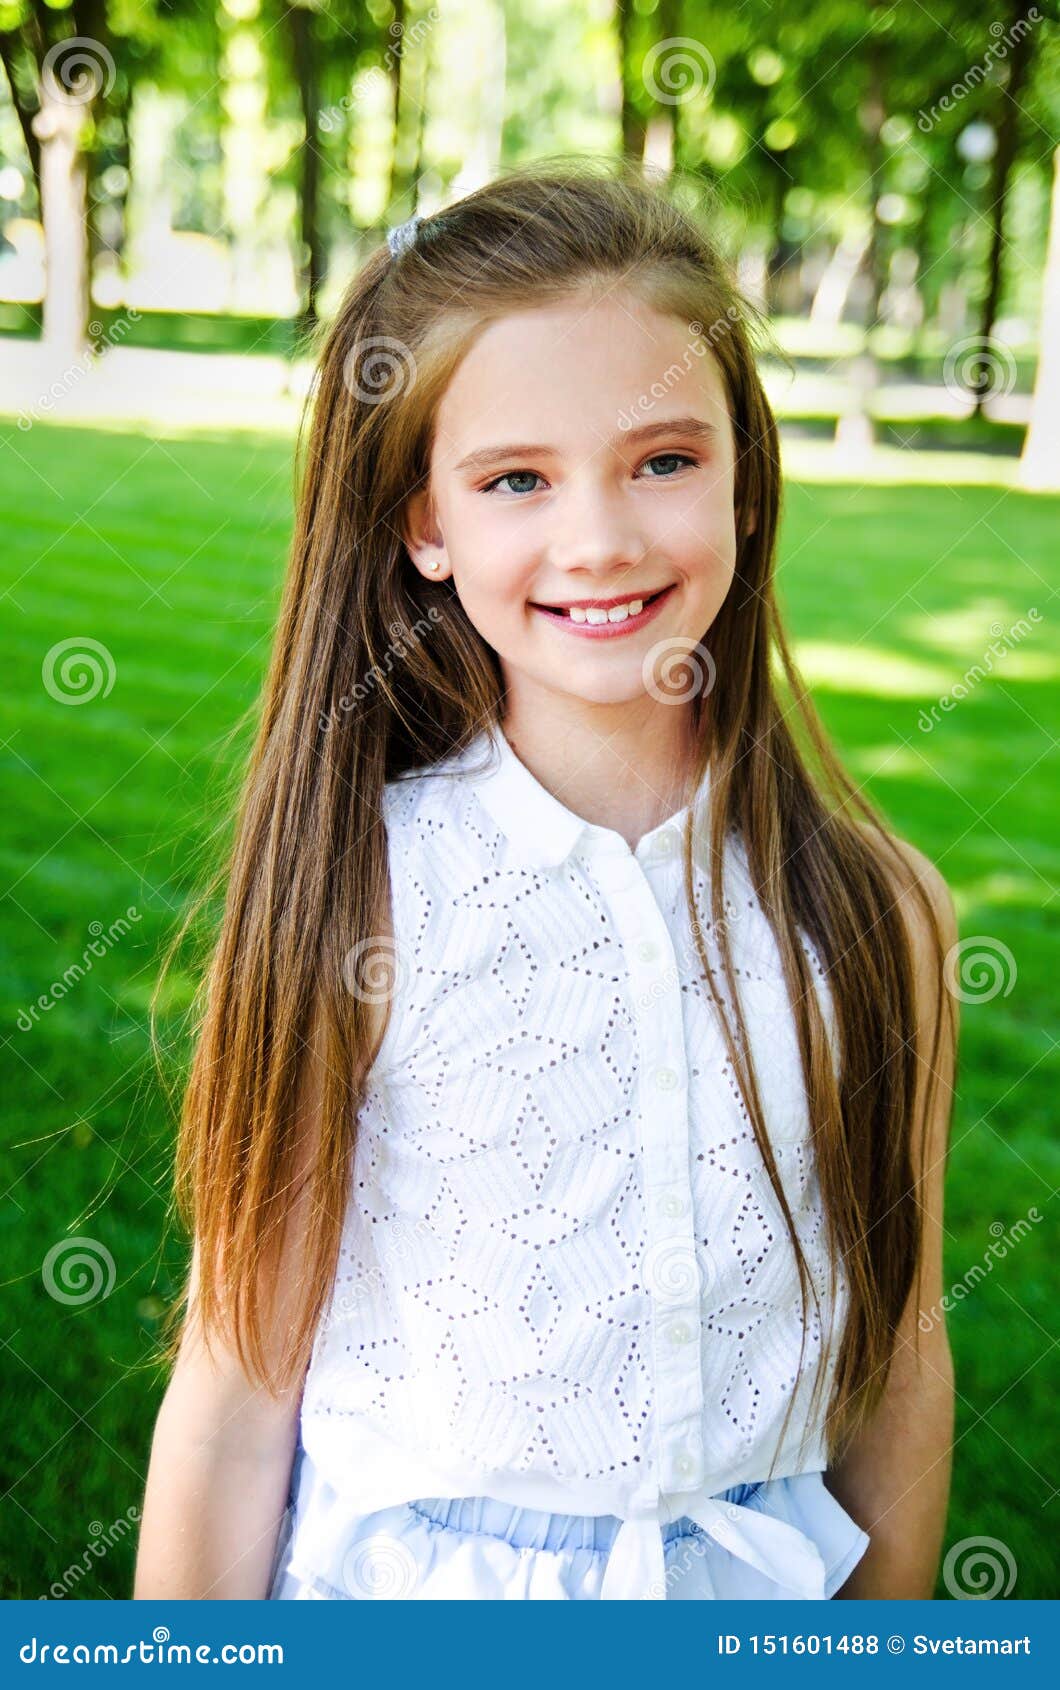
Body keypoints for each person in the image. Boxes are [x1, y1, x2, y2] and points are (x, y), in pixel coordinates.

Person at [134, 161, 958, 1601]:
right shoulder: (359, 896)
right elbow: (235, 1393)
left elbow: (901, 1359)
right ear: (424, 526)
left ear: (745, 475)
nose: (602, 539)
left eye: (663, 460)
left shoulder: (882, 915)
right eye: (517, 478)